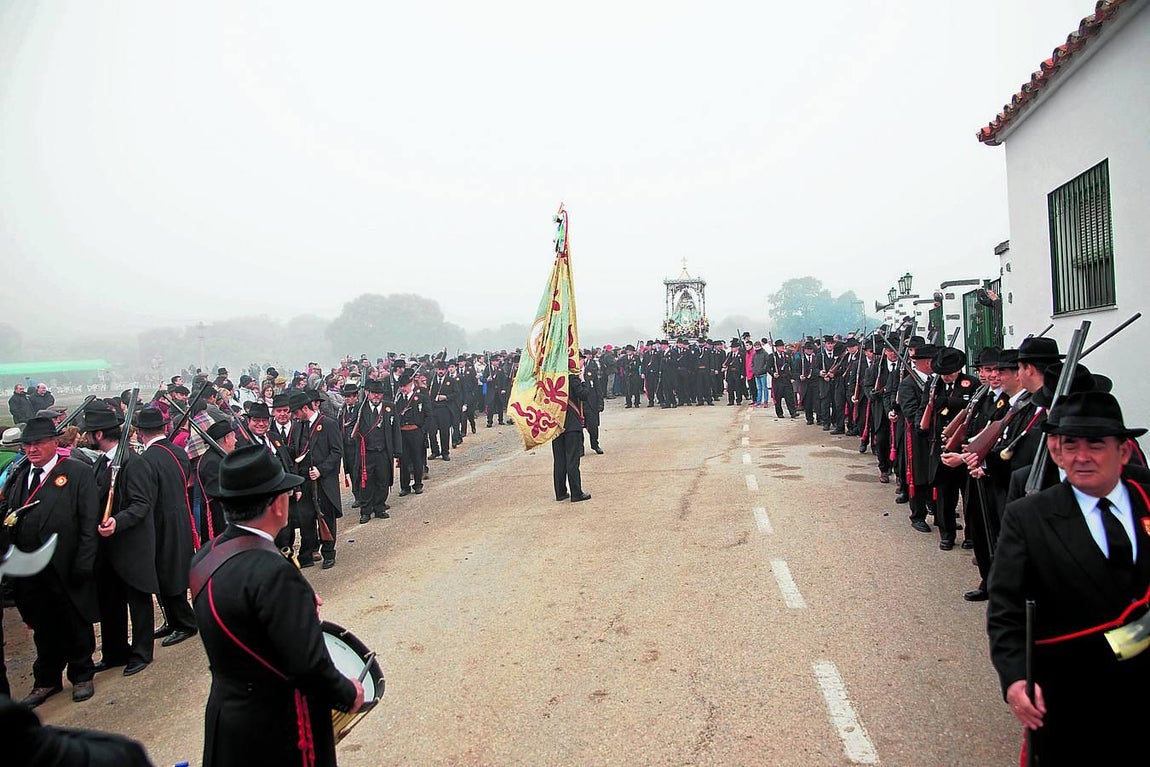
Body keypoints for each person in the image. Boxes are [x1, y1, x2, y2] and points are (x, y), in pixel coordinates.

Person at [987, 391, 1150, 765]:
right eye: (1069, 444)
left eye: (1096, 444)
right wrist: (1014, 679)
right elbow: (1006, 609)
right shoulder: (1028, 517)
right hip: (1071, 698)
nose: (1081, 456)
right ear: (1055, 452)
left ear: (1124, 451)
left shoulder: (1148, 498)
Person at [192, 445, 363, 767]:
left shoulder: (205, 556)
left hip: (227, 717)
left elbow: (242, 617)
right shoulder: (274, 574)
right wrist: (347, 693)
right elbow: (309, 666)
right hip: (280, 726)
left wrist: (289, 605)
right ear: (277, 505)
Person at [1, 417, 99, 707]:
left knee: (73, 621)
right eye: (27, 445)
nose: (32, 449)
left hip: (64, 564)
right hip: (30, 569)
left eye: (38, 443)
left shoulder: (77, 472)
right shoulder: (20, 476)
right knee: (42, 626)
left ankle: (82, 673)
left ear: (55, 443)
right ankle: (46, 680)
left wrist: (84, 561)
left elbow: (88, 520)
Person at [82, 402, 157, 677]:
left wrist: (118, 521)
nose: (86, 437)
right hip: (106, 547)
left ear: (98, 435)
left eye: (89, 433)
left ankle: (141, 652)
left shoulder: (132, 463)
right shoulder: (101, 463)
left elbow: (140, 504)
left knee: (137, 599)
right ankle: (114, 651)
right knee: (109, 601)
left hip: (130, 544)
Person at [137, 407, 200, 648]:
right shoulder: (177, 452)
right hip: (180, 516)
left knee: (168, 572)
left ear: (141, 433)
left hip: (162, 519)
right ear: (164, 428)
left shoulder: (147, 459)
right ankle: (172, 619)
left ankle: (184, 621)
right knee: (168, 570)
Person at [288, 391, 342, 569]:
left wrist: (321, 470)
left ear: (305, 408)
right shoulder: (297, 426)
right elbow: (295, 451)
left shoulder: (328, 424)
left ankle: (328, 553)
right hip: (303, 481)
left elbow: (336, 452)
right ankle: (308, 553)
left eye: (296, 412)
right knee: (305, 518)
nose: (294, 416)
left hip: (322, 480)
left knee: (326, 517)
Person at [354, 377, 399, 523]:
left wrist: (397, 451)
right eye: (374, 393)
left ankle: (379, 507)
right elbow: (352, 430)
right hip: (366, 453)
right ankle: (365, 511)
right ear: (368, 393)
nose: (376, 396)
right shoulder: (360, 408)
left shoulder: (390, 407)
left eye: (379, 393)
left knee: (383, 481)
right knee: (366, 483)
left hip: (383, 452)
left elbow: (396, 431)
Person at [553, 368, 591, 503]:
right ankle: (576, 493)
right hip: (571, 425)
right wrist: (583, 379)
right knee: (572, 460)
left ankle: (560, 492)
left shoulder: (551, 378)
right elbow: (584, 395)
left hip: (556, 424)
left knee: (559, 460)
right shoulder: (572, 378)